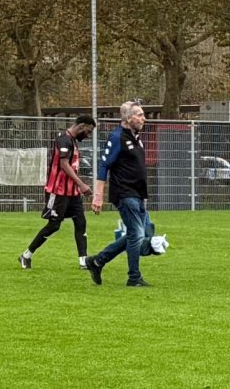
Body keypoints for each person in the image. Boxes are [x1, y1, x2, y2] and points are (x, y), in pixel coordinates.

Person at [87, 100, 166, 288]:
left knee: (140, 233)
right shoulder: (117, 137)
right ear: (128, 118)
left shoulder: (136, 137)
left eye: (143, 114)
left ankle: (97, 261)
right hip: (124, 193)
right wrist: (98, 195)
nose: (143, 118)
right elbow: (104, 166)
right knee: (137, 235)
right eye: (139, 115)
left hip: (138, 194)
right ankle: (134, 277)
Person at [21, 117, 95, 270]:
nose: (88, 135)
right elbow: (63, 164)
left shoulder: (73, 142)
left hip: (72, 193)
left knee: (81, 223)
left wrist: (77, 187)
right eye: (88, 131)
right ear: (81, 126)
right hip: (58, 191)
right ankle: (26, 255)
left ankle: (83, 261)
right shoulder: (63, 140)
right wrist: (81, 184)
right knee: (54, 225)